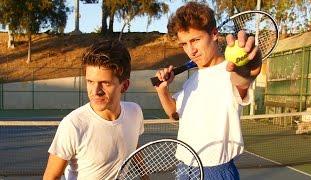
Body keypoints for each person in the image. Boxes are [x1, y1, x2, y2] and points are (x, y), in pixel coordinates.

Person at [154, 2, 262, 180]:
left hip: (215, 171)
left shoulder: (230, 71)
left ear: (214, 34)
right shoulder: (192, 80)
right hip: (183, 167)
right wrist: (162, 90)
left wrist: (245, 73)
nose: (191, 50)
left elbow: (241, 82)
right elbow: (174, 113)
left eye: (195, 40)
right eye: (184, 44)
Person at [43, 40, 144, 180]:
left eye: (105, 83)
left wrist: (145, 177)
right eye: (90, 82)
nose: (96, 91)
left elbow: (134, 146)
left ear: (124, 85)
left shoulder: (135, 112)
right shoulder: (73, 125)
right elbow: (51, 177)